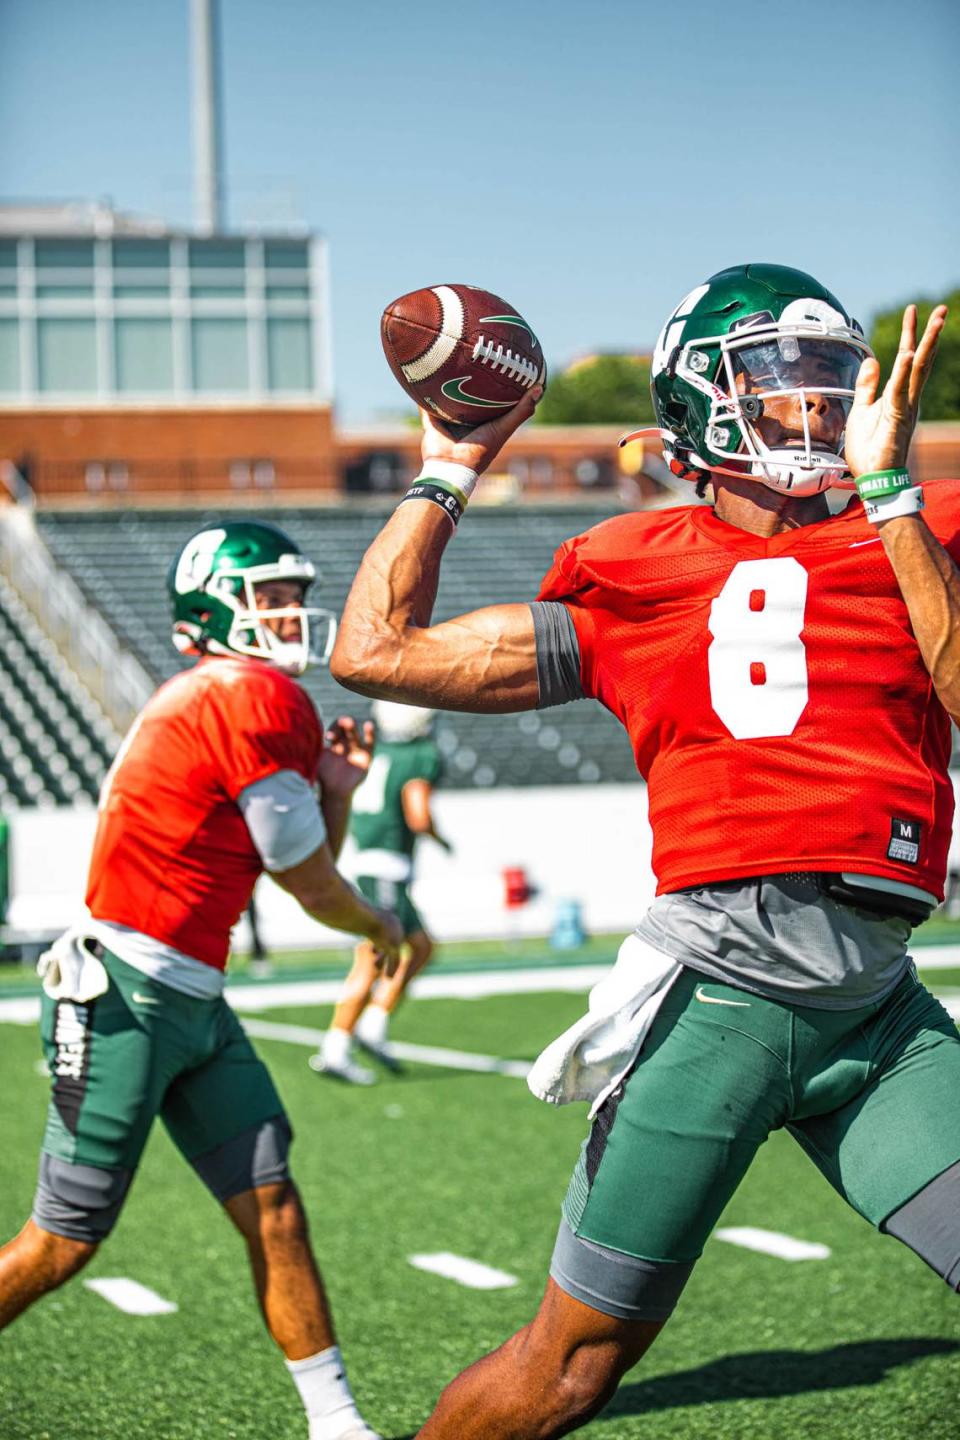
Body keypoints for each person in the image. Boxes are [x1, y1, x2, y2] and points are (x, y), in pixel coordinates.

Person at [329, 264, 960, 1439]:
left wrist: (893, 498)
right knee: (569, 1369)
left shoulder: (917, 524)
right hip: (717, 1002)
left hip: (876, 1005)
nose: (818, 405)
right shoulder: (631, 569)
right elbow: (373, 652)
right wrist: (450, 464)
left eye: (833, 377)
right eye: (784, 381)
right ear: (705, 402)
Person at [0, 520, 403, 1440]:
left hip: (190, 998)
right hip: (123, 998)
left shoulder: (236, 694)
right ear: (215, 612)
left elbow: (293, 862)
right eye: (269, 596)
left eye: (294, 594)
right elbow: (309, 885)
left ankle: (338, 1426)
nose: (291, 612)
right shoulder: (247, 693)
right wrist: (378, 924)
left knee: (274, 1207)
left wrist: (334, 793)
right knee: (63, 1242)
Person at [312, 699, 449, 1084]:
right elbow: (418, 814)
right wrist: (441, 839)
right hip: (387, 867)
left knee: (420, 946)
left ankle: (373, 1023)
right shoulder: (420, 754)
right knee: (372, 958)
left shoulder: (380, 750)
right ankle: (336, 1046)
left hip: (371, 861)